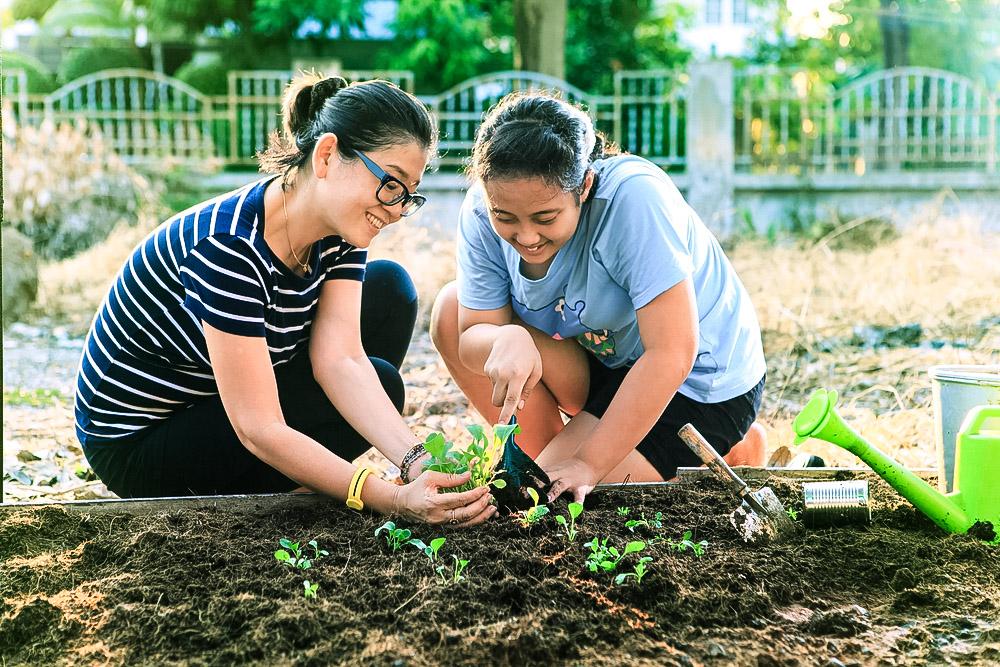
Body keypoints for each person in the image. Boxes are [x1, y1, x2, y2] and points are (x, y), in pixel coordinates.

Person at [75, 73, 494, 527]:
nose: (395, 209)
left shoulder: (340, 232)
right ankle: (296, 479)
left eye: (407, 195)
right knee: (384, 384)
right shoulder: (228, 247)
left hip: (220, 397)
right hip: (143, 443)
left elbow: (342, 360)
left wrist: (415, 461)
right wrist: (386, 498)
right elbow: (259, 428)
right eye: (390, 184)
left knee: (388, 291)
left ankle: (300, 474)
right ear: (328, 155)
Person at [430, 93, 768, 505]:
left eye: (545, 217)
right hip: (607, 361)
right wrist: (503, 340)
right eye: (506, 218)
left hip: (696, 380)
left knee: (574, 496)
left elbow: (673, 352)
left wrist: (588, 464)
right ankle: (556, 456)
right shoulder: (483, 212)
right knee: (451, 309)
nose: (527, 236)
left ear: (584, 186)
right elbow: (468, 336)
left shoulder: (634, 199)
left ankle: (730, 449)